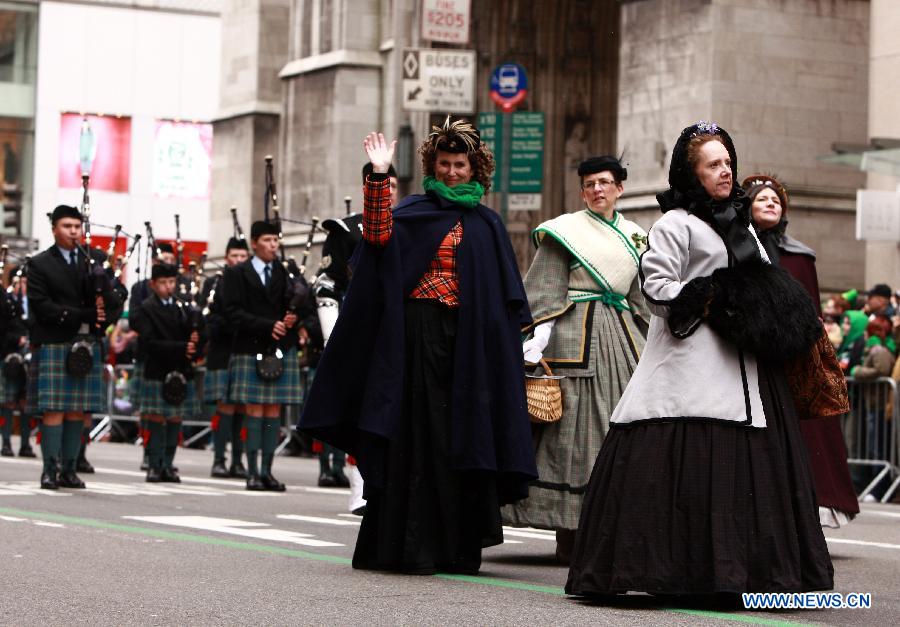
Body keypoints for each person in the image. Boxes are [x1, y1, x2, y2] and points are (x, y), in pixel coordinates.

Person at [567, 122, 832, 598]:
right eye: (713, 164)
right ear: (692, 174)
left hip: (748, 368)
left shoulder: (741, 223)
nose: (725, 171)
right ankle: (677, 573)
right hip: (690, 364)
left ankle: (751, 577)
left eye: (728, 162)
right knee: (689, 459)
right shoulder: (675, 223)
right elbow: (656, 289)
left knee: (751, 467)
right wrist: (711, 296)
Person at [300, 118, 538, 575]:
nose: (451, 172)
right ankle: (409, 545)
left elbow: (502, 300)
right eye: (445, 164)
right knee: (417, 435)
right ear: (433, 165)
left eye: (460, 165)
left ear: (475, 169)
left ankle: (456, 545)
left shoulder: (488, 225)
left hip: (469, 346)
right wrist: (378, 175)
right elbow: (376, 236)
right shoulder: (412, 211)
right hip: (416, 338)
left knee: (462, 437)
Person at [502, 155, 649, 563]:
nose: (596, 189)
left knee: (621, 424)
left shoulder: (637, 236)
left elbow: (641, 299)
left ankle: (610, 525)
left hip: (620, 335)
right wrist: (537, 337)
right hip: (573, 335)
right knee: (572, 433)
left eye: (604, 182)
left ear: (620, 188)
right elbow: (545, 288)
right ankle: (570, 529)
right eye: (589, 184)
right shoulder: (564, 231)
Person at [745, 174, 859, 529]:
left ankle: (809, 510)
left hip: (794, 360)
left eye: (776, 200)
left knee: (808, 434)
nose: (771, 203)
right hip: (750, 356)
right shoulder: (737, 250)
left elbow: (814, 316)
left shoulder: (800, 257)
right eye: (762, 198)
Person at [27, 204, 124, 489]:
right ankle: (49, 469)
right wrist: (82, 315)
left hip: (87, 341)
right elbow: (41, 305)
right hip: (56, 340)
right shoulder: (40, 263)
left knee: (77, 410)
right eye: (67, 226)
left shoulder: (94, 259)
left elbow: (118, 294)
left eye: (77, 226)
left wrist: (105, 302)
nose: (73, 232)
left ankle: (69, 469)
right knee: (54, 409)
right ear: (54, 229)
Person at [222, 220, 303, 491]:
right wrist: (268, 325)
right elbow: (232, 312)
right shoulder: (237, 274)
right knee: (255, 410)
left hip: (279, 348)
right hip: (250, 345)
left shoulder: (284, 272)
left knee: (274, 411)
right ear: (255, 242)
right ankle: (253, 472)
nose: (273, 246)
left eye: (276, 241)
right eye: (268, 241)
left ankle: (267, 471)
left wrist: (292, 318)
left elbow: (297, 304)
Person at [131, 263, 204, 482]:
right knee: (156, 417)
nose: (168, 287)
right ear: (153, 285)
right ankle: (154, 464)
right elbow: (150, 342)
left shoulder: (184, 308)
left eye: (172, 282)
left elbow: (199, 333)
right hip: (157, 369)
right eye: (163, 282)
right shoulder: (146, 309)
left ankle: (168, 464)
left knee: (174, 418)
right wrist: (183, 347)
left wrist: (196, 342)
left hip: (181, 369)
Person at [205, 236, 250, 478]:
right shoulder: (214, 283)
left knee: (242, 405)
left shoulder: (250, 283)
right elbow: (210, 318)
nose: (239, 260)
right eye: (235, 256)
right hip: (222, 351)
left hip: (243, 349)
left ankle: (238, 461)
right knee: (225, 406)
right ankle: (219, 459)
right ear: (226, 258)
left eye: (243, 256)